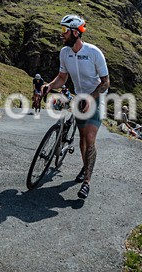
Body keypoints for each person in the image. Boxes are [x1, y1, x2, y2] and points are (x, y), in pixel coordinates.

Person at [41, 14, 109, 199]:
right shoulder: (65, 53)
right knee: (81, 138)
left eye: (64, 30)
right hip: (80, 96)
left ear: (75, 33)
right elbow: (62, 78)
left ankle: (87, 181)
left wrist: (91, 98)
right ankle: (85, 166)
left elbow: (105, 82)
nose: (61, 34)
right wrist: (49, 86)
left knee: (89, 137)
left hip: (96, 97)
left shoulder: (94, 52)